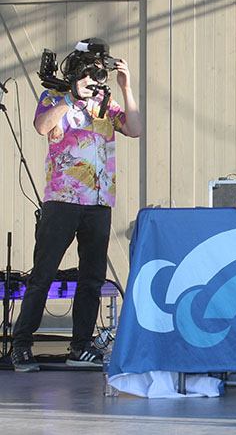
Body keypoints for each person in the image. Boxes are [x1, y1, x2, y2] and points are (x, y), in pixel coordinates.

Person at [11, 39, 141, 372]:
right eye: (89, 72)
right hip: (62, 199)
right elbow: (42, 126)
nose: (95, 79)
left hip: (98, 201)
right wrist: (72, 95)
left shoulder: (105, 104)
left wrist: (127, 88)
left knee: (92, 277)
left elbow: (135, 129)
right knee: (42, 274)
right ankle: (21, 344)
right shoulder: (54, 96)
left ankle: (80, 346)